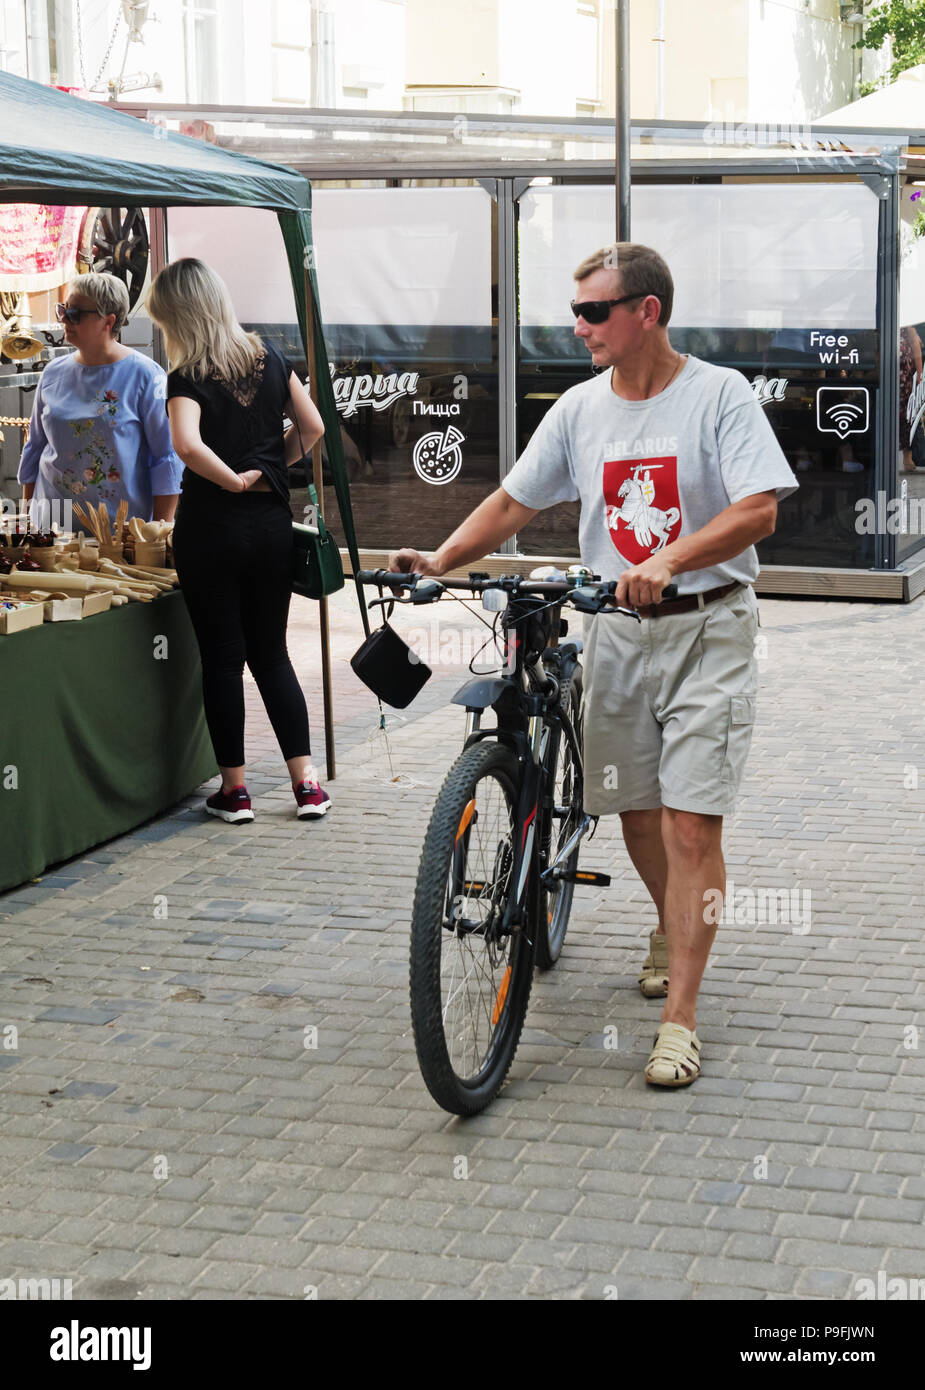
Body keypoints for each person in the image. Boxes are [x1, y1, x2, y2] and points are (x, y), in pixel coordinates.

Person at [389, 242, 799, 1088]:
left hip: (707, 628)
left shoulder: (717, 396)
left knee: (692, 822)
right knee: (637, 813)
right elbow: (512, 501)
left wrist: (671, 560)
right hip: (614, 633)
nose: (578, 329)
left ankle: (679, 1018)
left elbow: (758, 510)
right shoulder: (578, 409)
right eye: (573, 313)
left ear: (645, 311)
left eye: (593, 312)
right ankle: (667, 924)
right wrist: (440, 559)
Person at [146, 257, 329, 824]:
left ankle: (237, 792)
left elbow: (186, 444)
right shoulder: (268, 356)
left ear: (178, 316)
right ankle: (307, 787)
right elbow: (315, 427)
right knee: (272, 653)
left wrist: (231, 479)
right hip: (272, 525)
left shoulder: (188, 375)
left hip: (211, 528)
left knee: (223, 660)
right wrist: (272, 470)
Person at [17, 272, 182, 527]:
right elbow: (35, 448)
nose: (65, 320)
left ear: (108, 321)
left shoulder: (146, 376)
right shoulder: (52, 373)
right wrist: (27, 521)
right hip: (51, 531)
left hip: (121, 534)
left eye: (75, 314)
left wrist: (157, 532)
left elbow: (166, 459)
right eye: (63, 310)